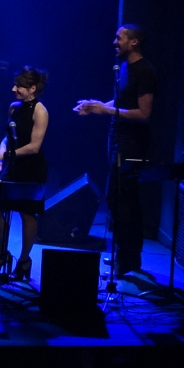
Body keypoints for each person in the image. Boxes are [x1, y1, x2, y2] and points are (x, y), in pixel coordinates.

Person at [75, 25, 155, 274]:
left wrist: (107, 110)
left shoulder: (145, 72)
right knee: (119, 197)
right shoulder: (124, 70)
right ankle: (126, 256)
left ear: (134, 42)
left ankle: (129, 258)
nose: (114, 42)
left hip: (131, 142)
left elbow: (144, 114)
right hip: (117, 137)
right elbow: (120, 104)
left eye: (119, 37)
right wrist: (96, 105)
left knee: (122, 197)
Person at [0, 67, 50, 278]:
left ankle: (24, 261)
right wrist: (2, 149)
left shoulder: (40, 111)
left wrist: (4, 156)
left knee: (26, 213)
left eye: (19, 86)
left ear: (32, 88)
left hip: (32, 169)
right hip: (13, 166)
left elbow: (34, 147)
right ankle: (2, 253)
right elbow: (8, 138)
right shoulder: (14, 108)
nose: (14, 89)